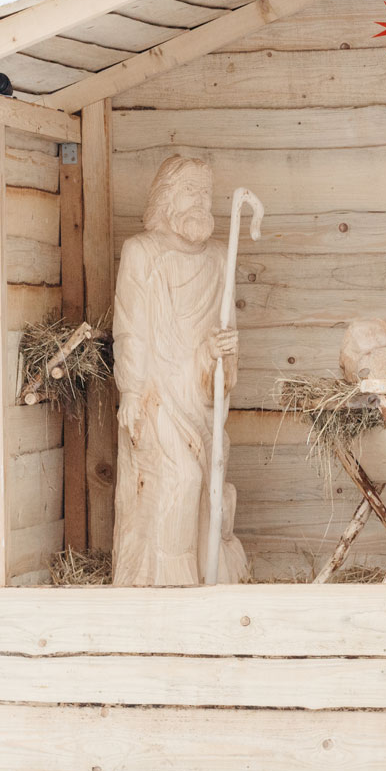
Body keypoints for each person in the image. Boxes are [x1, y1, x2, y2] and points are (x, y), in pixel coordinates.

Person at [110, 155, 249, 586]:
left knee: (210, 487)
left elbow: (222, 336)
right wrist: (132, 392)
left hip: (199, 397)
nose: (201, 202)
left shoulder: (218, 260)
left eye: (206, 194)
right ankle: (167, 584)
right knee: (181, 480)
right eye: (191, 191)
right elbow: (130, 328)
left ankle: (208, 582)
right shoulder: (142, 253)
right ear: (166, 199)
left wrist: (220, 352)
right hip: (157, 397)